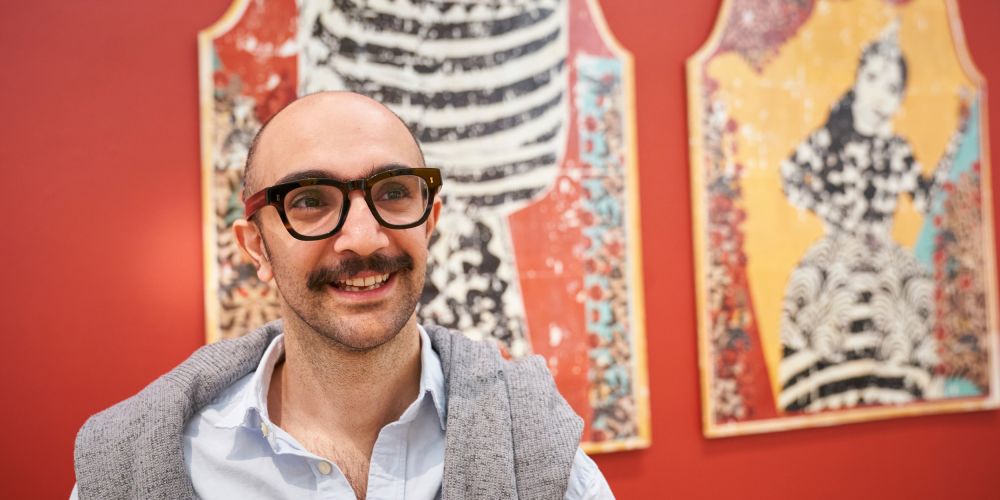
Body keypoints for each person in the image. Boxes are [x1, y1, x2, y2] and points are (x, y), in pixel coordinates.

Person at [72, 92, 613, 499]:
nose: (362, 238)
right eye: (310, 200)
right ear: (256, 246)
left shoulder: (540, 455)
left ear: (430, 223)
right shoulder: (133, 468)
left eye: (395, 193)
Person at [776, 23, 960, 413]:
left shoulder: (897, 149)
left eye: (892, 88)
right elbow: (790, 174)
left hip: (888, 261)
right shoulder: (829, 140)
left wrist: (956, 143)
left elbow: (927, 199)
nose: (880, 95)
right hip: (837, 257)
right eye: (873, 79)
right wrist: (830, 211)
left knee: (913, 310)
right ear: (858, 80)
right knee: (821, 311)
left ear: (899, 100)